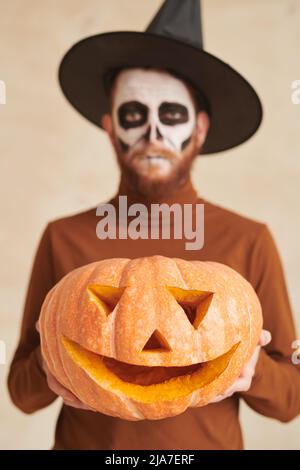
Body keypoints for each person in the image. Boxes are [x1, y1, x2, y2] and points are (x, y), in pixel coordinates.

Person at [8, 0, 300, 450]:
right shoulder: (64, 236)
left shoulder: (249, 239)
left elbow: (291, 402)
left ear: (199, 130)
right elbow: (20, 393)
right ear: (110, 128)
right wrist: (55, 365)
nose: (153, 133)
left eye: (172, 115)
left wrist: (250, 368)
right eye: (132, 114)